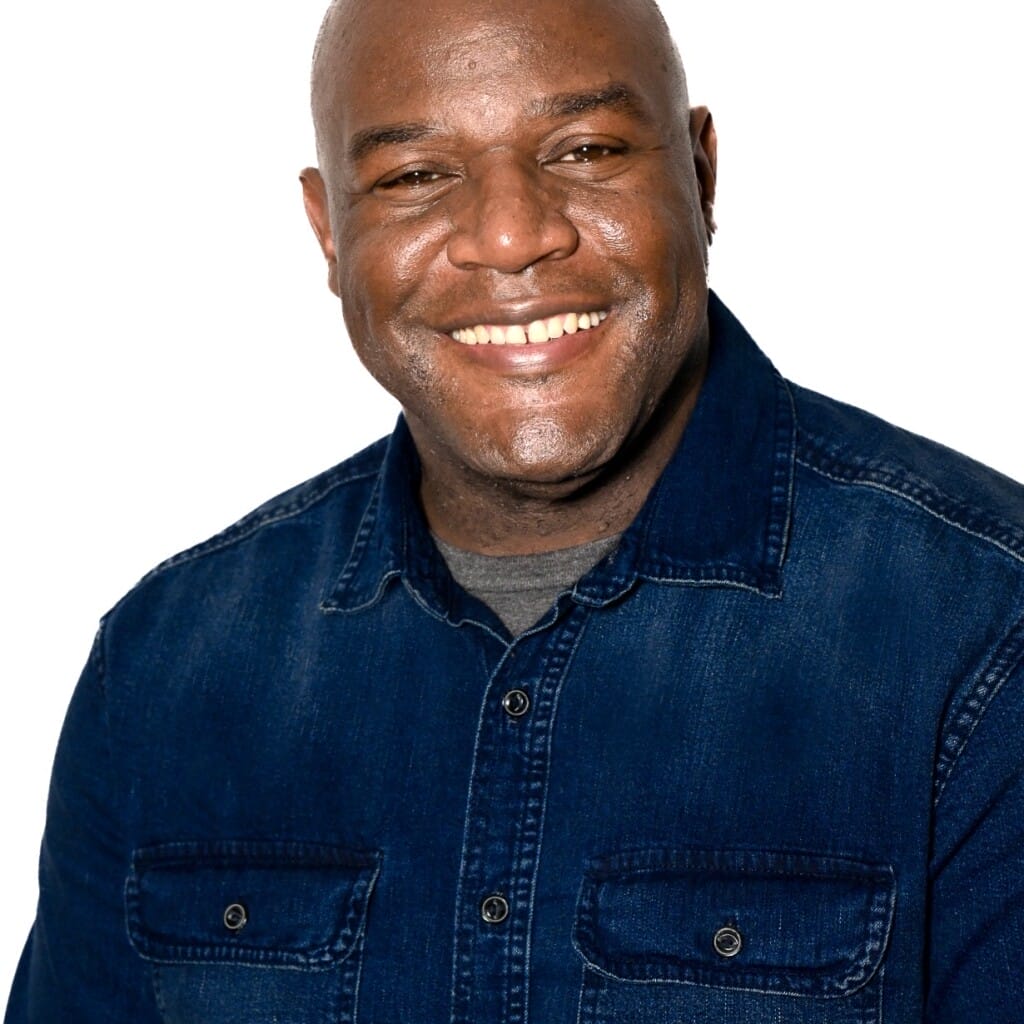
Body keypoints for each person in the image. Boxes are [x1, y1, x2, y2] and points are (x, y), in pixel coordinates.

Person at [6, 0, 1024, 1019]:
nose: (510, 237)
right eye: (414, 176)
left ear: (701, 175)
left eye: (583, 149)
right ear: (329, 229)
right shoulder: (162, 666)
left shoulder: (984, 634)